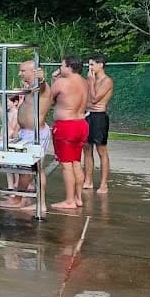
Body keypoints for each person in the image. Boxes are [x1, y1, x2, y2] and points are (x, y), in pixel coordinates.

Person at [0, 61, 54, 215]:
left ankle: (19, 199)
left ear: (33, 71)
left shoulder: (41, 88)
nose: (20, 74)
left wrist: (41, 79)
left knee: (29, 170)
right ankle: (30, 201)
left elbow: (43, 86)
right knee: (32, 169)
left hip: (35, 134)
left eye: (23, 71)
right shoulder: (30, 88)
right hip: (27, 133)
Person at [49, 55, 89, 211]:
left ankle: (69, 200)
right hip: (81, 124)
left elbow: (49, 99)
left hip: (67, 126)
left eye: (62, 66)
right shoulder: (85, 82)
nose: (60, 69)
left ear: (69, 67)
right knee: (76, 162)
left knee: (66, 165)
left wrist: (53, 80)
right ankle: (78, 198)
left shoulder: (62, 82)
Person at [84, 55, 114, 194]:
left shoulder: (106, 81)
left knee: (101, 150)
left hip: (99, 117)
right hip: (88, 115)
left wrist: (90, 82)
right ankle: (88, 180)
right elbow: (86, 99)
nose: (89, 68)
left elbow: (95, 99)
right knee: (87, 148)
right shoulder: (90, 80)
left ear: (100, 65)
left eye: (92, 65)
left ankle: (103, 184)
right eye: (89, 65)